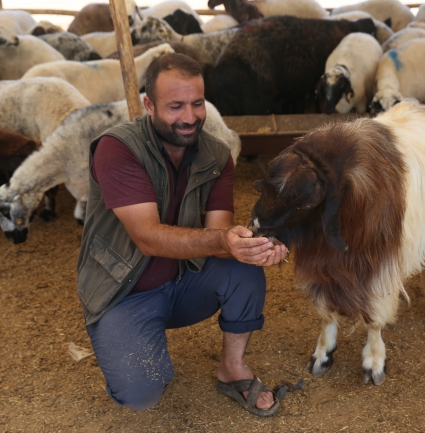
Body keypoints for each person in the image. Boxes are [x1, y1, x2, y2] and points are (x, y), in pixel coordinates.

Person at [76, 52, 288, 417]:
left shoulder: (217, 155)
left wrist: (256, 247)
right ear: (149, 105)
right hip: (125, 291)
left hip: (182, 279)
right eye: (175, 106)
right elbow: (147, 237)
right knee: (142, 393)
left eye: (197, 103)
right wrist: (223, 241)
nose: (190, 118)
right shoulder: (118, 148)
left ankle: (232, 369)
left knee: (244, 268)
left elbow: (218, 234)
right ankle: (133, 341)